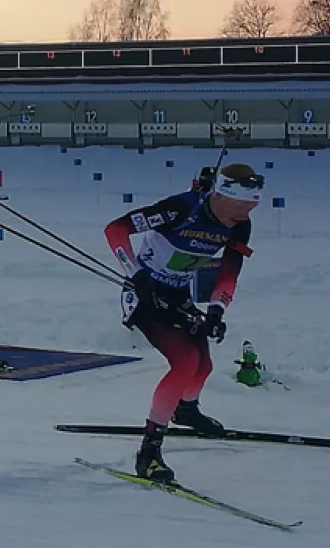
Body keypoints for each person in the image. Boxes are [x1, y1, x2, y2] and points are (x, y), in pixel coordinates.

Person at [103, 162, 261, 483]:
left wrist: (217, 310)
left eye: (250, 208)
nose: (244, 215)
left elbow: (229, 272)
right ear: (220, 195)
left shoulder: (239, 225)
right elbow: (115, 230)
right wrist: (134, 274)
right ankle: (149, 451)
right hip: (145, 295)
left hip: (178, 296)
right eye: (240, 207)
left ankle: (186, 410)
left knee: (203, 366)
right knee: (185, 363)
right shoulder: (178, 209)